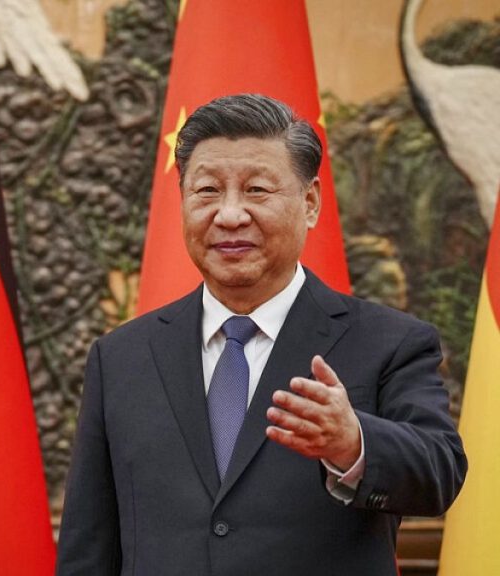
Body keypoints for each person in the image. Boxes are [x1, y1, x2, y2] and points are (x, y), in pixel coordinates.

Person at [55, 94, 467, 575]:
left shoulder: (389, 343)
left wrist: (352, 443)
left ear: (309, 203)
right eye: (207, 190)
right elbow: (89, 545)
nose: (229, 215)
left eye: (256, 190)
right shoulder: (122, 357)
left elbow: (440, 470)